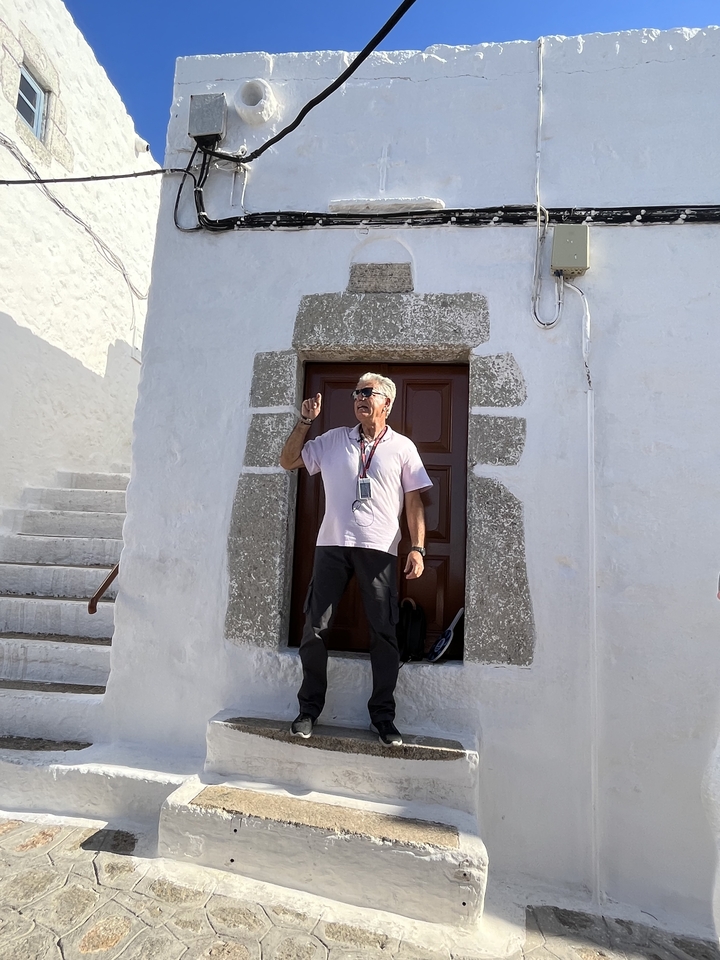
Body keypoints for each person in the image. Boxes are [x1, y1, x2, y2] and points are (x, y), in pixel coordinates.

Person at [279, 372, 432, 746]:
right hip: (332, 545)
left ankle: (383, 717)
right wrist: (305, 421)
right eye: (356, 393)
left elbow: (414, 501)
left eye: (368, 392)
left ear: (387, 403)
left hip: (379, 549)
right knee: (315, 628)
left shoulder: (403, 447)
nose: (360, 398)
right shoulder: (333, 440)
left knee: (384, 633)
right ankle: (308, 710)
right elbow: (288, 460)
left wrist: (417, 547)